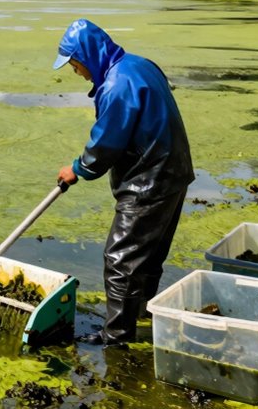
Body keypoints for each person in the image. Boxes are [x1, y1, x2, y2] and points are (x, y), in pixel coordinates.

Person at [53, 18, 194, 347]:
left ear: (88, 56)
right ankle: (141, 312)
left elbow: (106, 145)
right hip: (176, 172)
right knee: (150, 254)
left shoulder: (117, 86)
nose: (77, 73)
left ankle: (116, 335)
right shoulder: (139, 65)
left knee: (120, 258)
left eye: (76, 66)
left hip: (149, 181)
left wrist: (77, 168)